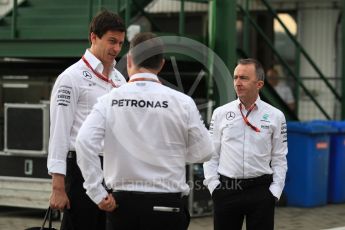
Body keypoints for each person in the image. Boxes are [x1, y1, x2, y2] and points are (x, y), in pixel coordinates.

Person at [75, 32, 214, 230]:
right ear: (162, 64)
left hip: (123, 206)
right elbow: (206, 151)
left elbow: (84, 142)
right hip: (167, 205)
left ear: (130, 60)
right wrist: (171, 154)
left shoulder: (109, 100)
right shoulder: (183, 102)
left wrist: (97, 192)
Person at [47, 10, 126, 230]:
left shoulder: (120, 79)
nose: (117, 49)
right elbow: (59, 133)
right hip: (80, 168)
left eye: (120, 43)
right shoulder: (70, 78)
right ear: (93, 37)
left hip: (113, 169)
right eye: (111, 41)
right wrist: (58, 186)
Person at [203, 58, 288, 230]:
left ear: (259, 84)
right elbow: (210, 154)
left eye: (244, 78)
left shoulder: (275, 116)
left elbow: (279, 158)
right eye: (235, 77)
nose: (238, 83)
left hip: (261, 191)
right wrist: (214, 187)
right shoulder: (220, 113)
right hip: (227, 189)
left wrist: (275, 192)